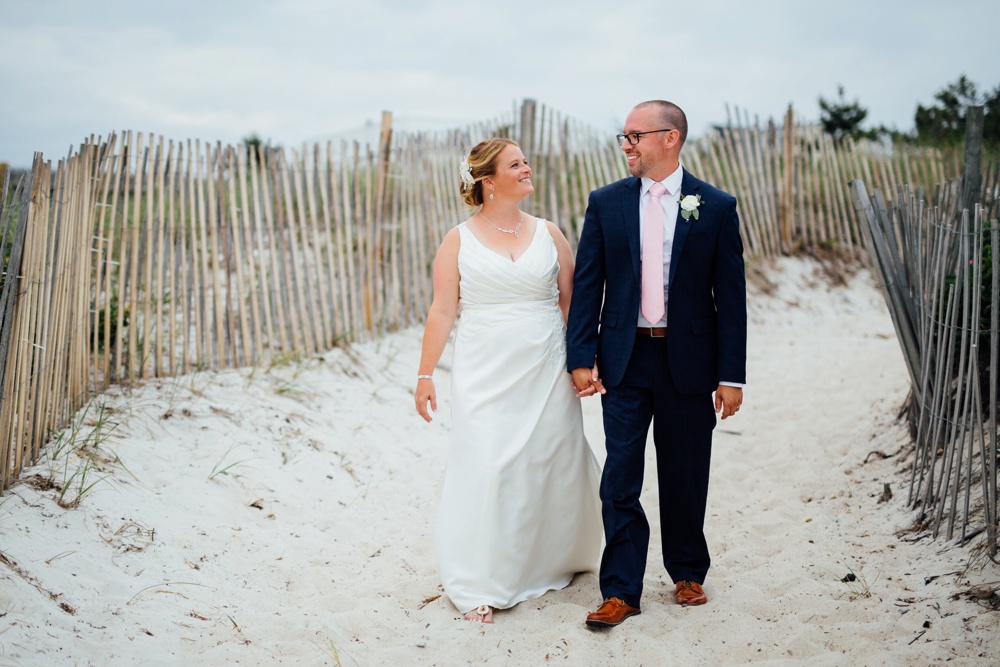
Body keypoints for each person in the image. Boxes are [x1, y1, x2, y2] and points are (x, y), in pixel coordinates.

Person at [566, 100, 747, 628]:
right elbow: (588, 286)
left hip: (690, 360)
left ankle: (688, 571)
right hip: (624, 357)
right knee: (620, 475)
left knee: (685, 470)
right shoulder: (606, 203)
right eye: (623, 137)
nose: (626, 146)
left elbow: (730, 298)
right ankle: (621, 589)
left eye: (635, 136)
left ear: (670, 138)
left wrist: (730, 376)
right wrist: (582, 356)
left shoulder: (714, 205)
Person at [415, 138, 603, 624]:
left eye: (525, 161)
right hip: (485, 367)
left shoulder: (549, 232)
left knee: (551, 455)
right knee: (488, 462)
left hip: (546, 363)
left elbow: (571, 301)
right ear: (488, 180)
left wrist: (585, 360)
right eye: (515, 164)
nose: (527, 168)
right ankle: (480, 577)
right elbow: (441, 310)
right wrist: (425, 374)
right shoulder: (458, 239)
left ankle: (556, 557)